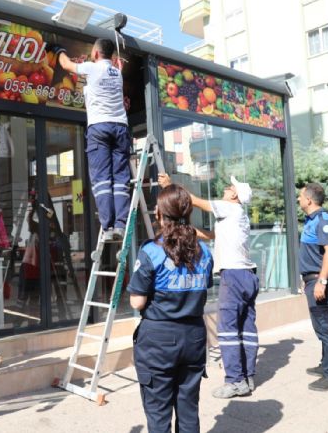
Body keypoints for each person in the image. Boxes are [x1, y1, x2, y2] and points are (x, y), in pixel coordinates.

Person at [159, 173, 259, 398]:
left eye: (228, 187)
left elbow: (194, 201)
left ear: (234, 194)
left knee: (228, 331)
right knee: (247, 329)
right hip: (248, 276)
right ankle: (248, 376)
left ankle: (235, 382)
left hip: (233, 276)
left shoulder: (229, 207)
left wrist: (169, 186)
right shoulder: (238, 217)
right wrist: (186, 232)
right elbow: (213, 235)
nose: (224, 189)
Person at [128, 184, 214, 433]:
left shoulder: (151, 251)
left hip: (159, 341)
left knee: (158, 414)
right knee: (188, 410)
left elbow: (137, 302)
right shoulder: (204, 251)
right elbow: (203, 287)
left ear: (159, 214)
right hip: (194, 337)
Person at [55, 38, 130, 240]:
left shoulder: (93, 67)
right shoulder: (117, 74)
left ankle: (107, 227)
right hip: (120, 127)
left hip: (99, 127)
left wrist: (58, 49)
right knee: (121, 179)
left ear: (96, 54)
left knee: (102, 179)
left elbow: (65, 64)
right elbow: (116, 67)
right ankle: (120, 225)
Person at [298, 182, 328, 391]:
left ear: (308, 199)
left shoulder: (323, 221)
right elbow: (313, 254)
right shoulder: (312, 221)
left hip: (321, 281)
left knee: (326, 328)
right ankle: (327, 365)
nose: (298, 199)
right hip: (313, 280)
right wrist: (306, 279)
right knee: (322, 327)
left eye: (300, 196)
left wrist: (321, 281)